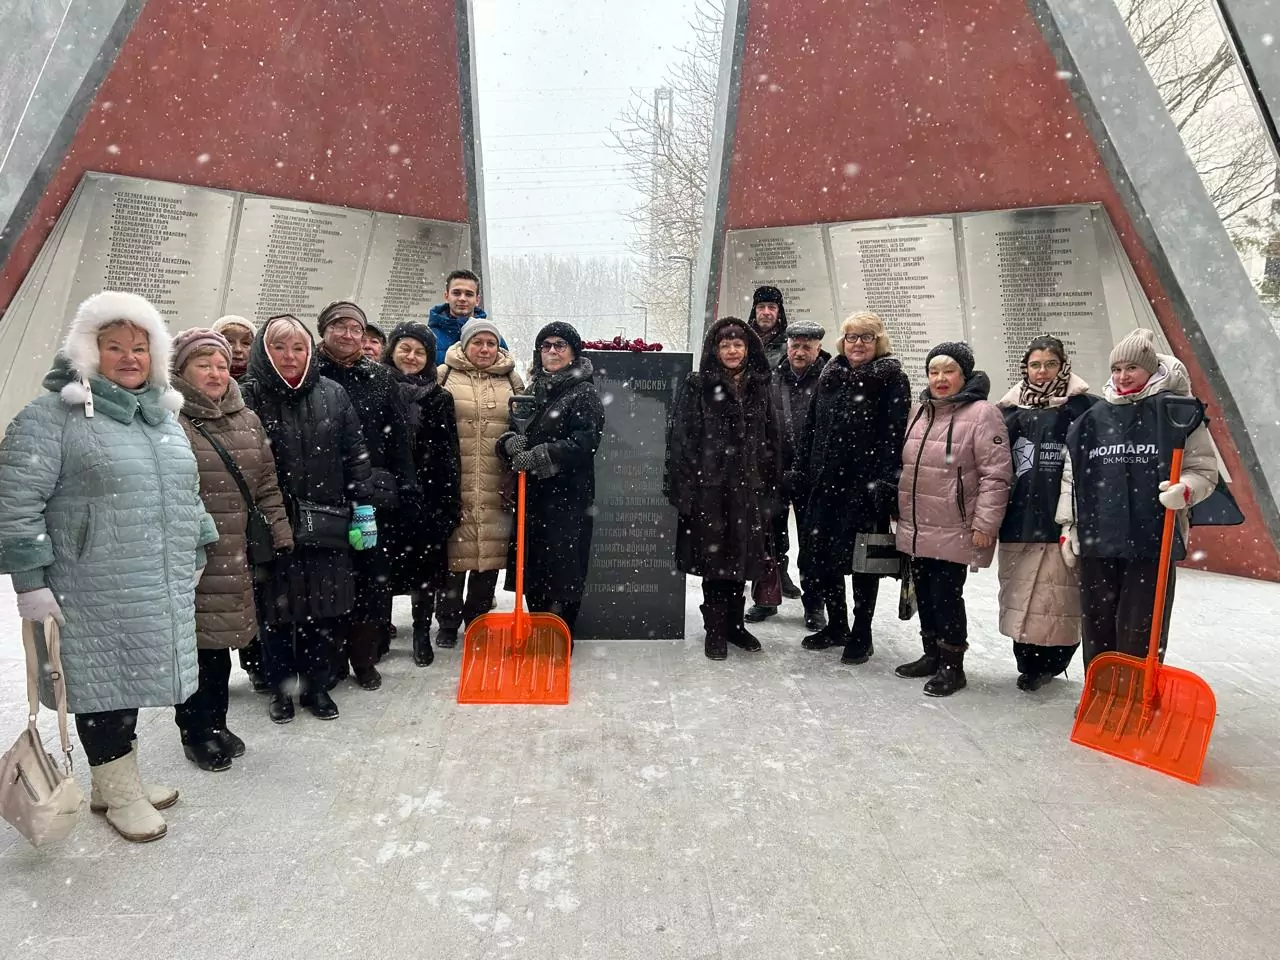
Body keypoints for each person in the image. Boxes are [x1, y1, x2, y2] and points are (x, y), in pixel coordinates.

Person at [0, 292, 218, 842]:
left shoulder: (160, 416)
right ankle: (120, 795)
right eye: (113, 346)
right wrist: (29, 582)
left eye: (139, 348)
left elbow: (186, 493)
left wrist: (196, 547)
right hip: (85, 585)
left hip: (152, 579)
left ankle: (113, 782)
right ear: (86, 351)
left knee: (128, 680)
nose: (128, 358)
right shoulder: (52, 417)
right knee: (102, 687)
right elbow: (14, 501)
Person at [1056, 328, 1218, 670]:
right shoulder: (1092, 419)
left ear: (1150, 369)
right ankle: (1100, 695)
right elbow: (1073, 478)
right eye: (1116, 369)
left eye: (1131, 368)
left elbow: (1203, 470)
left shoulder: (1177, 412)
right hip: (1099, 538)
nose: (1122, 376)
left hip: (1152, 540)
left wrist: (1185, 490)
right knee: (1098, 627)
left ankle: (1137, 694)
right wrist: (1068, 527)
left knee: (1141, 629)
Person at [169, 328, 293, 770]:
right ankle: (195, 730)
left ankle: (216, 722)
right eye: (203, 364)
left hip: (239, 548)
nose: (216, 372)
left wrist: (278, 528)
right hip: (192, 553)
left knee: (220, 643)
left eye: (221, 364)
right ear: (181, 370)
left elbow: (265, 483)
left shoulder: (246, 416)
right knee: (195, 645)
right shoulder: (169, 419)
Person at [241, 315, 372, 723]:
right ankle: (281, 688)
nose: (291, 356)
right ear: (265, 351)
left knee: (323, 609)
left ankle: (316, 686)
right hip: (270, 522)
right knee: (275, 611)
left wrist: (362, 509)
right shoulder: (247, 397)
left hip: (326, 520)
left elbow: (356, 454)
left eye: (298, 348)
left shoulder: (332, 393)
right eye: (280, 347)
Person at [895, 342, 1011, 697]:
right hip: (917, 522)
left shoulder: (982, 413)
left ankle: (951, 665)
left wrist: (985, 525)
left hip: (955, 525)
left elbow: (997, 475)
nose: (940, 379)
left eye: (949, 372)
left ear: (964, 375)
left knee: (946, 596)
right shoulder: (920, 411)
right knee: (925, 594)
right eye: (934, 372)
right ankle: (931, 653)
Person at [794, 312, 911, 664]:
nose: (858, 344)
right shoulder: (830, 376)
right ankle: (837, 624)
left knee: (864, 561)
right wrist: (802, 469)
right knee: (825, 558)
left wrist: (885, 481)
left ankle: (862, 631)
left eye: (866, 337)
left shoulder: (892, 379)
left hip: (865, 487)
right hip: (825, 484)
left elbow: (895, 435)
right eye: (851, 337)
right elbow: (811, 426)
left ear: (879, 342)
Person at [314, 301, 419, 691]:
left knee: (372, 579)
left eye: (355, 328)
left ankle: (363, 656)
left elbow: (398, 442)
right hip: (324, 495)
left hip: (373, 496)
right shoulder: (309, 375)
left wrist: (407, 488)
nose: (347, 334)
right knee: (328, 581)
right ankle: (331, 658)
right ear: (323, 330)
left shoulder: (379, 379)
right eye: (338, 326)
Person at [666, 317, 782, 660]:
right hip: (710, 489)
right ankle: (715, 630)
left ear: (748, 349)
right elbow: (681, 438)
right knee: (715, 560)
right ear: (715, 350)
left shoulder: (760, 385)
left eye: (738, 344)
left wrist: (773, 484)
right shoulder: (699, 385)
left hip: (749, 489)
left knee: (743, 558)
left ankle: (735, 625)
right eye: (725, 345)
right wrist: (683, 487)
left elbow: (771, 438)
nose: (732, 351)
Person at [996, 336, 1096, 691]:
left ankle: (1053, 663)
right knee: (1021, 597)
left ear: (1063, 365)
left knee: (1058, 598)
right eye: (1035, 365)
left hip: (1062, 520)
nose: (1042, 372)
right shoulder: (1007, 411)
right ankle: (1026, 660)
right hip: (1018, 520)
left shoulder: (1085, 408)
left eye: (1050, 364)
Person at [497, 322, 605, 633]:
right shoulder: (532, 391)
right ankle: (538, 628)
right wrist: (507, 444)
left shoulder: (583, 392)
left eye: (560, 345)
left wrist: (541, 455)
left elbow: (585, 443)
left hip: (567, 500)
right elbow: (515, 430)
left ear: (573, 353)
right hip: (532, 499)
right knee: (533, 570)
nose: (553, 351)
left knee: (564, 571)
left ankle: (560, 635)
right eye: (546, 345)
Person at [437, 316, 524, 646]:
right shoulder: (445, 375)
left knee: (490, 558)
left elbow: (522, 424)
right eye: (478, 342)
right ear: (465, 345)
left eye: (490, 343)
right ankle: (447, 621)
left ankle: (476, 619)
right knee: (453, 558)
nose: (484, 349)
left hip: (495, 480)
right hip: (455, 479)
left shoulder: (512, 380)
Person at [381, 321, 462, 665]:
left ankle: (420, 632)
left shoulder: (439, 397)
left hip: (427, 498)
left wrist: (448, 502)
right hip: (386, 495)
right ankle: (379, 630)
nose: (411, 357)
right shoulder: (377, 388)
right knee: (381, 570)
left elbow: (449, 454)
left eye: (420, 351)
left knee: (424, 571)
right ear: (392, 350)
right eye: (405, 349)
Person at [746, 318, 830, 626]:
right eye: (795, 345)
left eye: (807, 346)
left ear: (818, 348)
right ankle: (766, 598)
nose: (800, 351)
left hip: (812, 475)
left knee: (813, 543)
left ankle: (814, 605)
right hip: (774, 471)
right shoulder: (772, 378)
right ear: (788, 346)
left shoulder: (829, 379)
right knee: (769, 539)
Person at [213, 314, 268, 691]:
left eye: (245, 341)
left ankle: (257, 660)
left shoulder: (262, 386)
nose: (237, 349)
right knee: (222, 595)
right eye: (228, 341)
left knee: (256, 590)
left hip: (254, 506)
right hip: (217, 508)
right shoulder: (204, 391)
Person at [429, 269, 506, 364]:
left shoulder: (493, 336)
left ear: (477, 300)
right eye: (456, 293)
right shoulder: (430, 337)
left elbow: (505, 370)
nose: (462, 298)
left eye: (469, 294)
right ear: (446, 296)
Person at [748, 285, 789, 368]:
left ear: (779, 312)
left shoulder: (790, 344)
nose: (766, 312)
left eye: (772, 307)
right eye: (761, 307)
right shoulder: (742, 340)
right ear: (754, 311)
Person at [213, 315, 256, 381]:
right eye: (229, 342)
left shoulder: (264, 384)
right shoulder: (198, 380)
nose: (238, 349)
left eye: (246, 343)